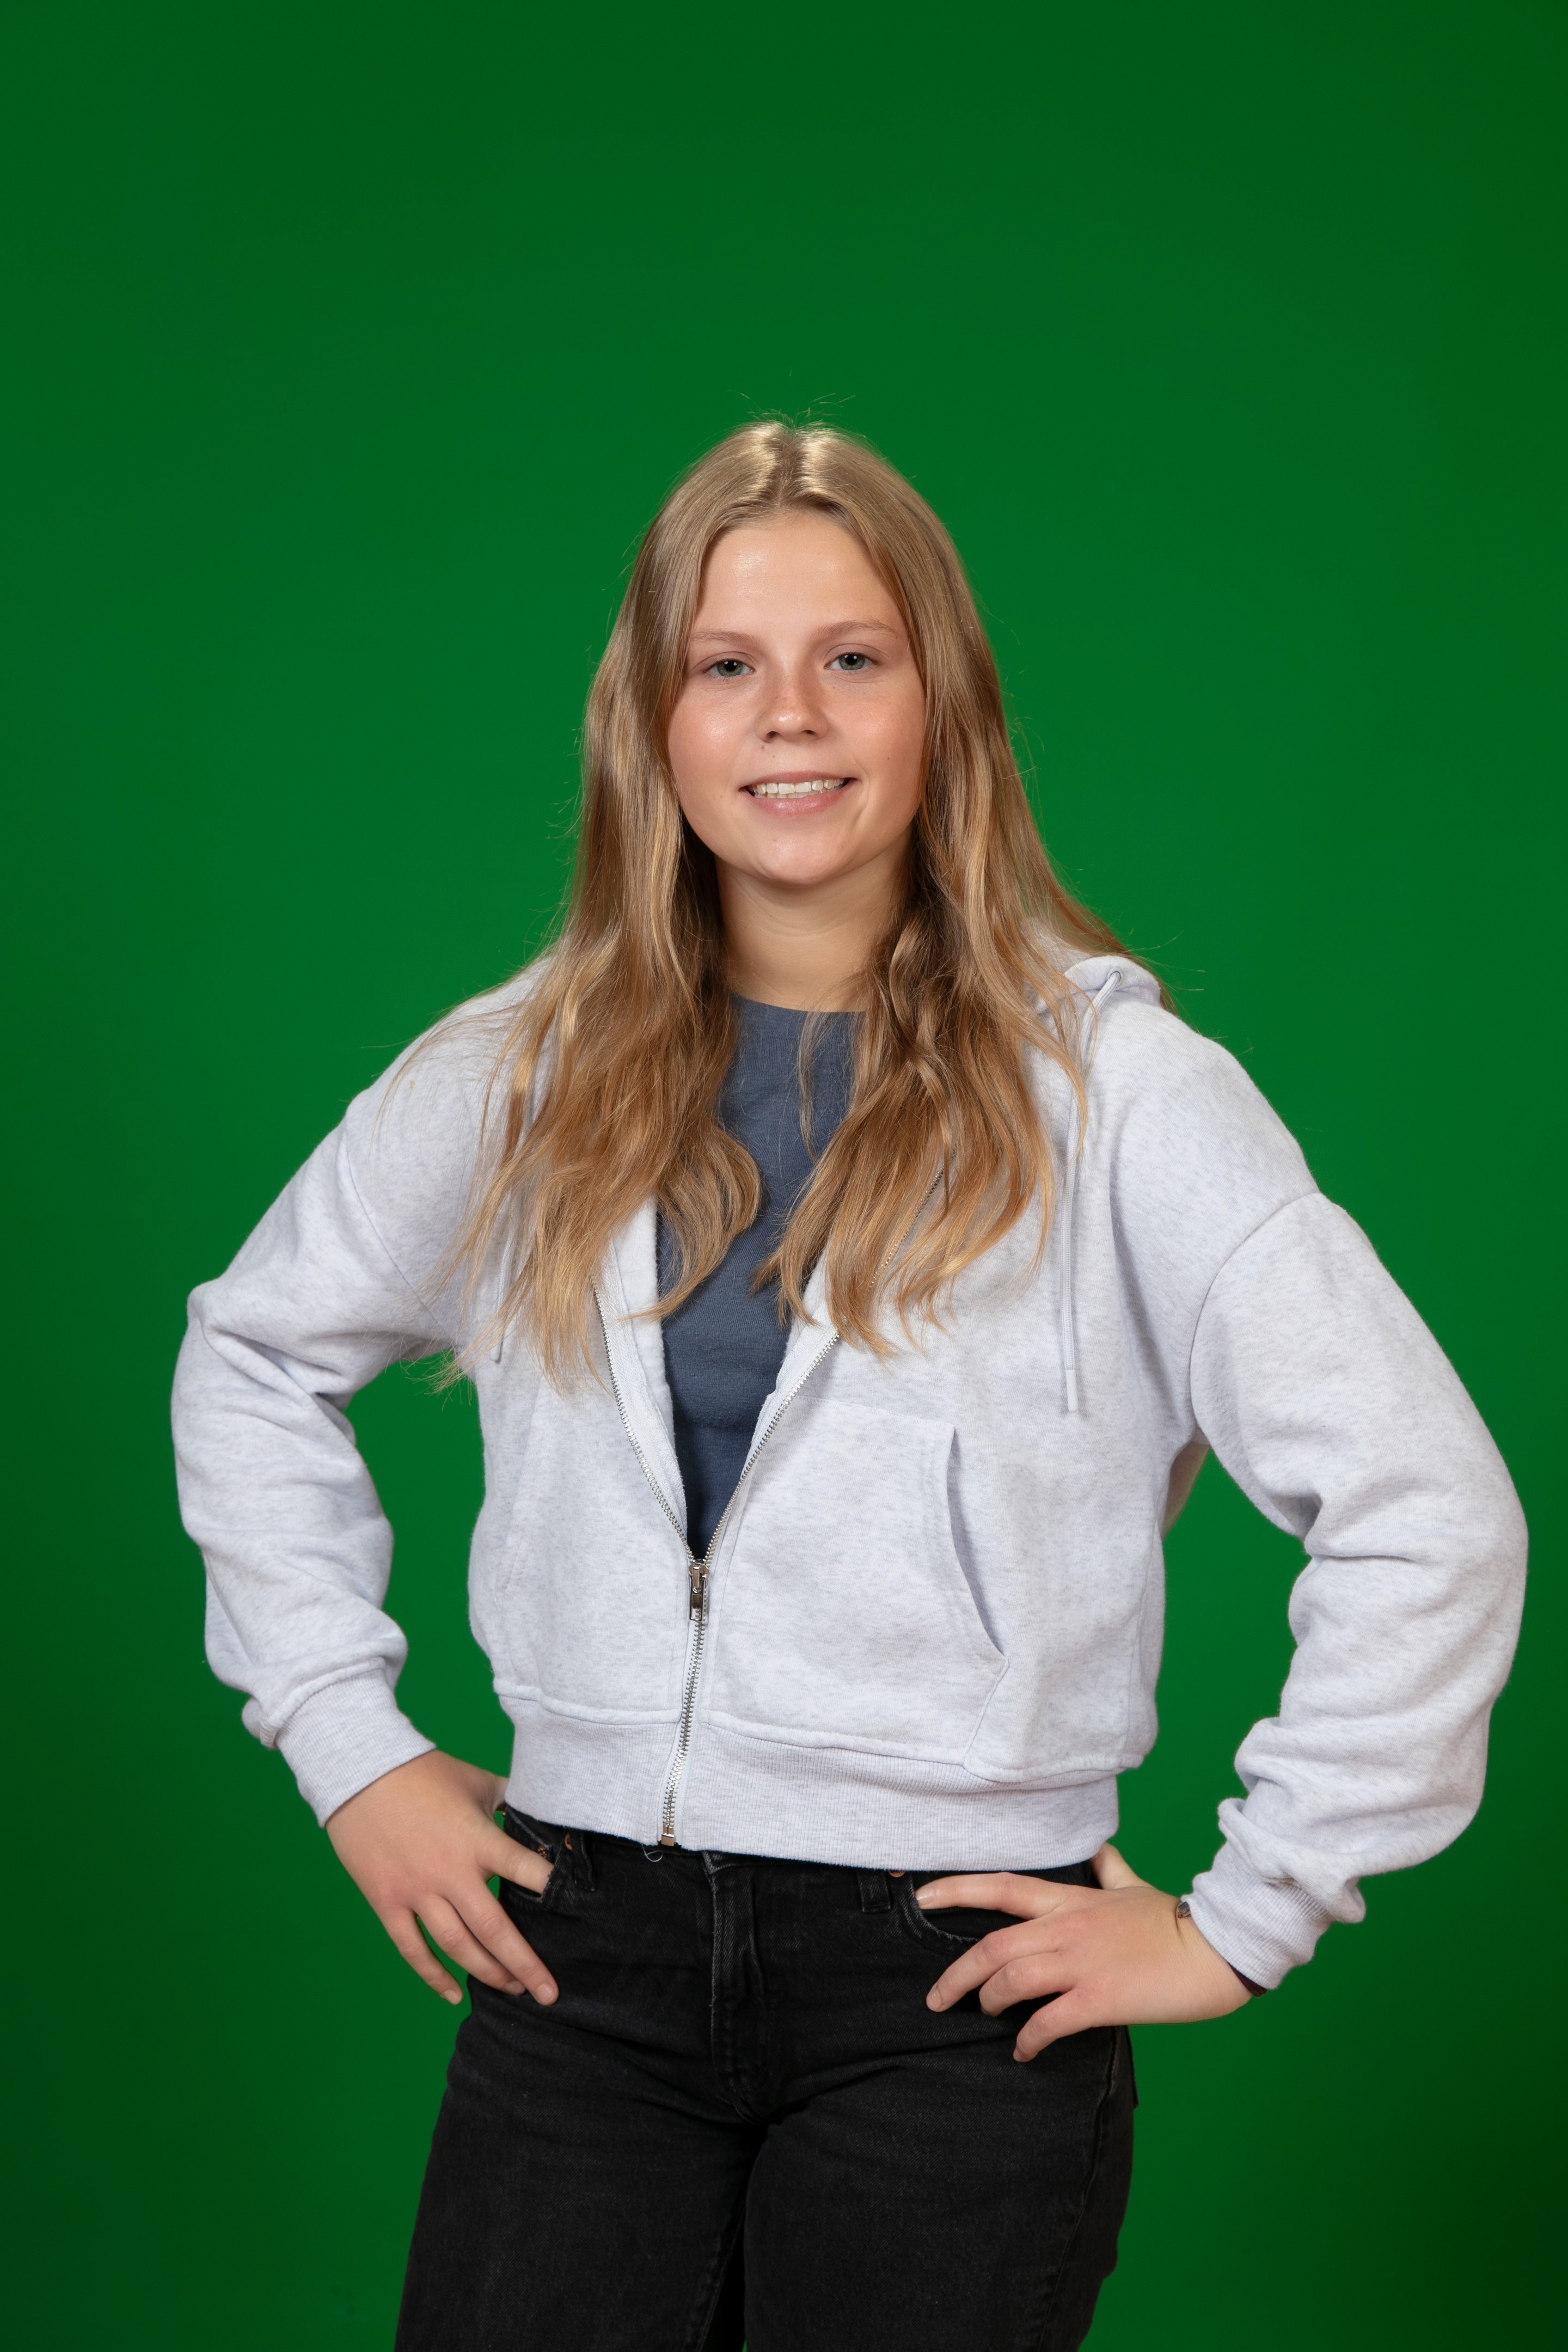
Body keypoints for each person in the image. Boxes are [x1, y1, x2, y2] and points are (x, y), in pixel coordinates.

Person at [171, 422, 1526, 2351]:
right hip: (585, 1956)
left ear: (941, 704)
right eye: (726, 663)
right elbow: (253, 1353)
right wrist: (347, 1741)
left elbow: (1428, 1509)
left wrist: (1246, 1915)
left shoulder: (1124, 1101)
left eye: (853, 658)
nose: (788, 715)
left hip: (949, 1991)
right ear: (653, 721)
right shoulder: (524, 1075)